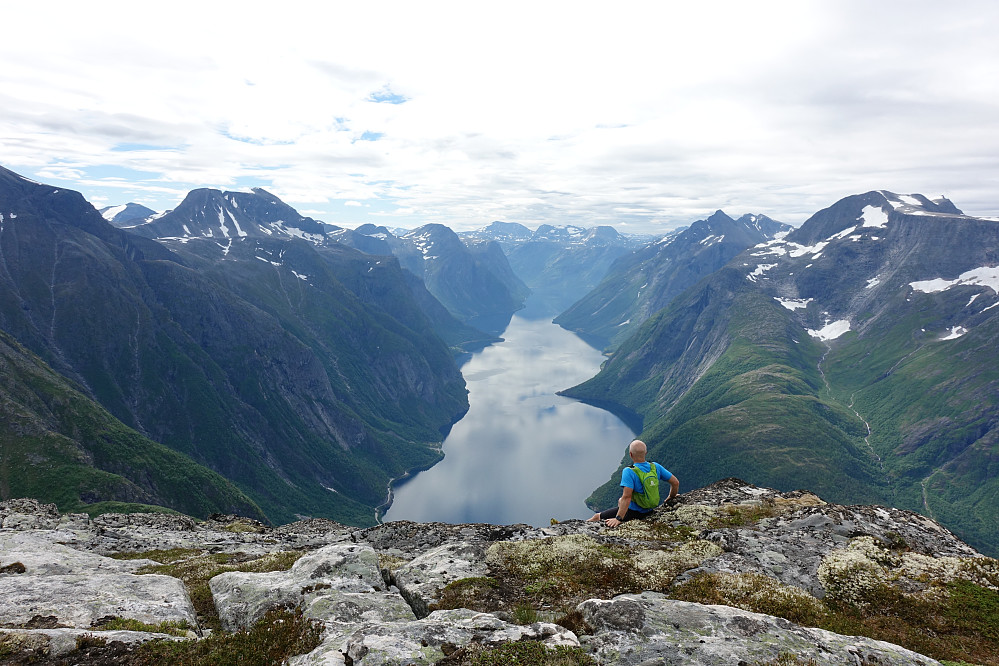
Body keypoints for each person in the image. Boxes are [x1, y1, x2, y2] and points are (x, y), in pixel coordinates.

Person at [587, 439, 679, 527]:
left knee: (597, 517)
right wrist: (671, 496)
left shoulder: (629, 471)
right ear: (645, 453)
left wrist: (618, 518)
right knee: (620, 501)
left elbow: (627, 497)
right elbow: (675, 483)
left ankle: (576, 529)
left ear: (630, 454)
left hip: (634, 513)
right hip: (650, 510)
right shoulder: (655, 467)